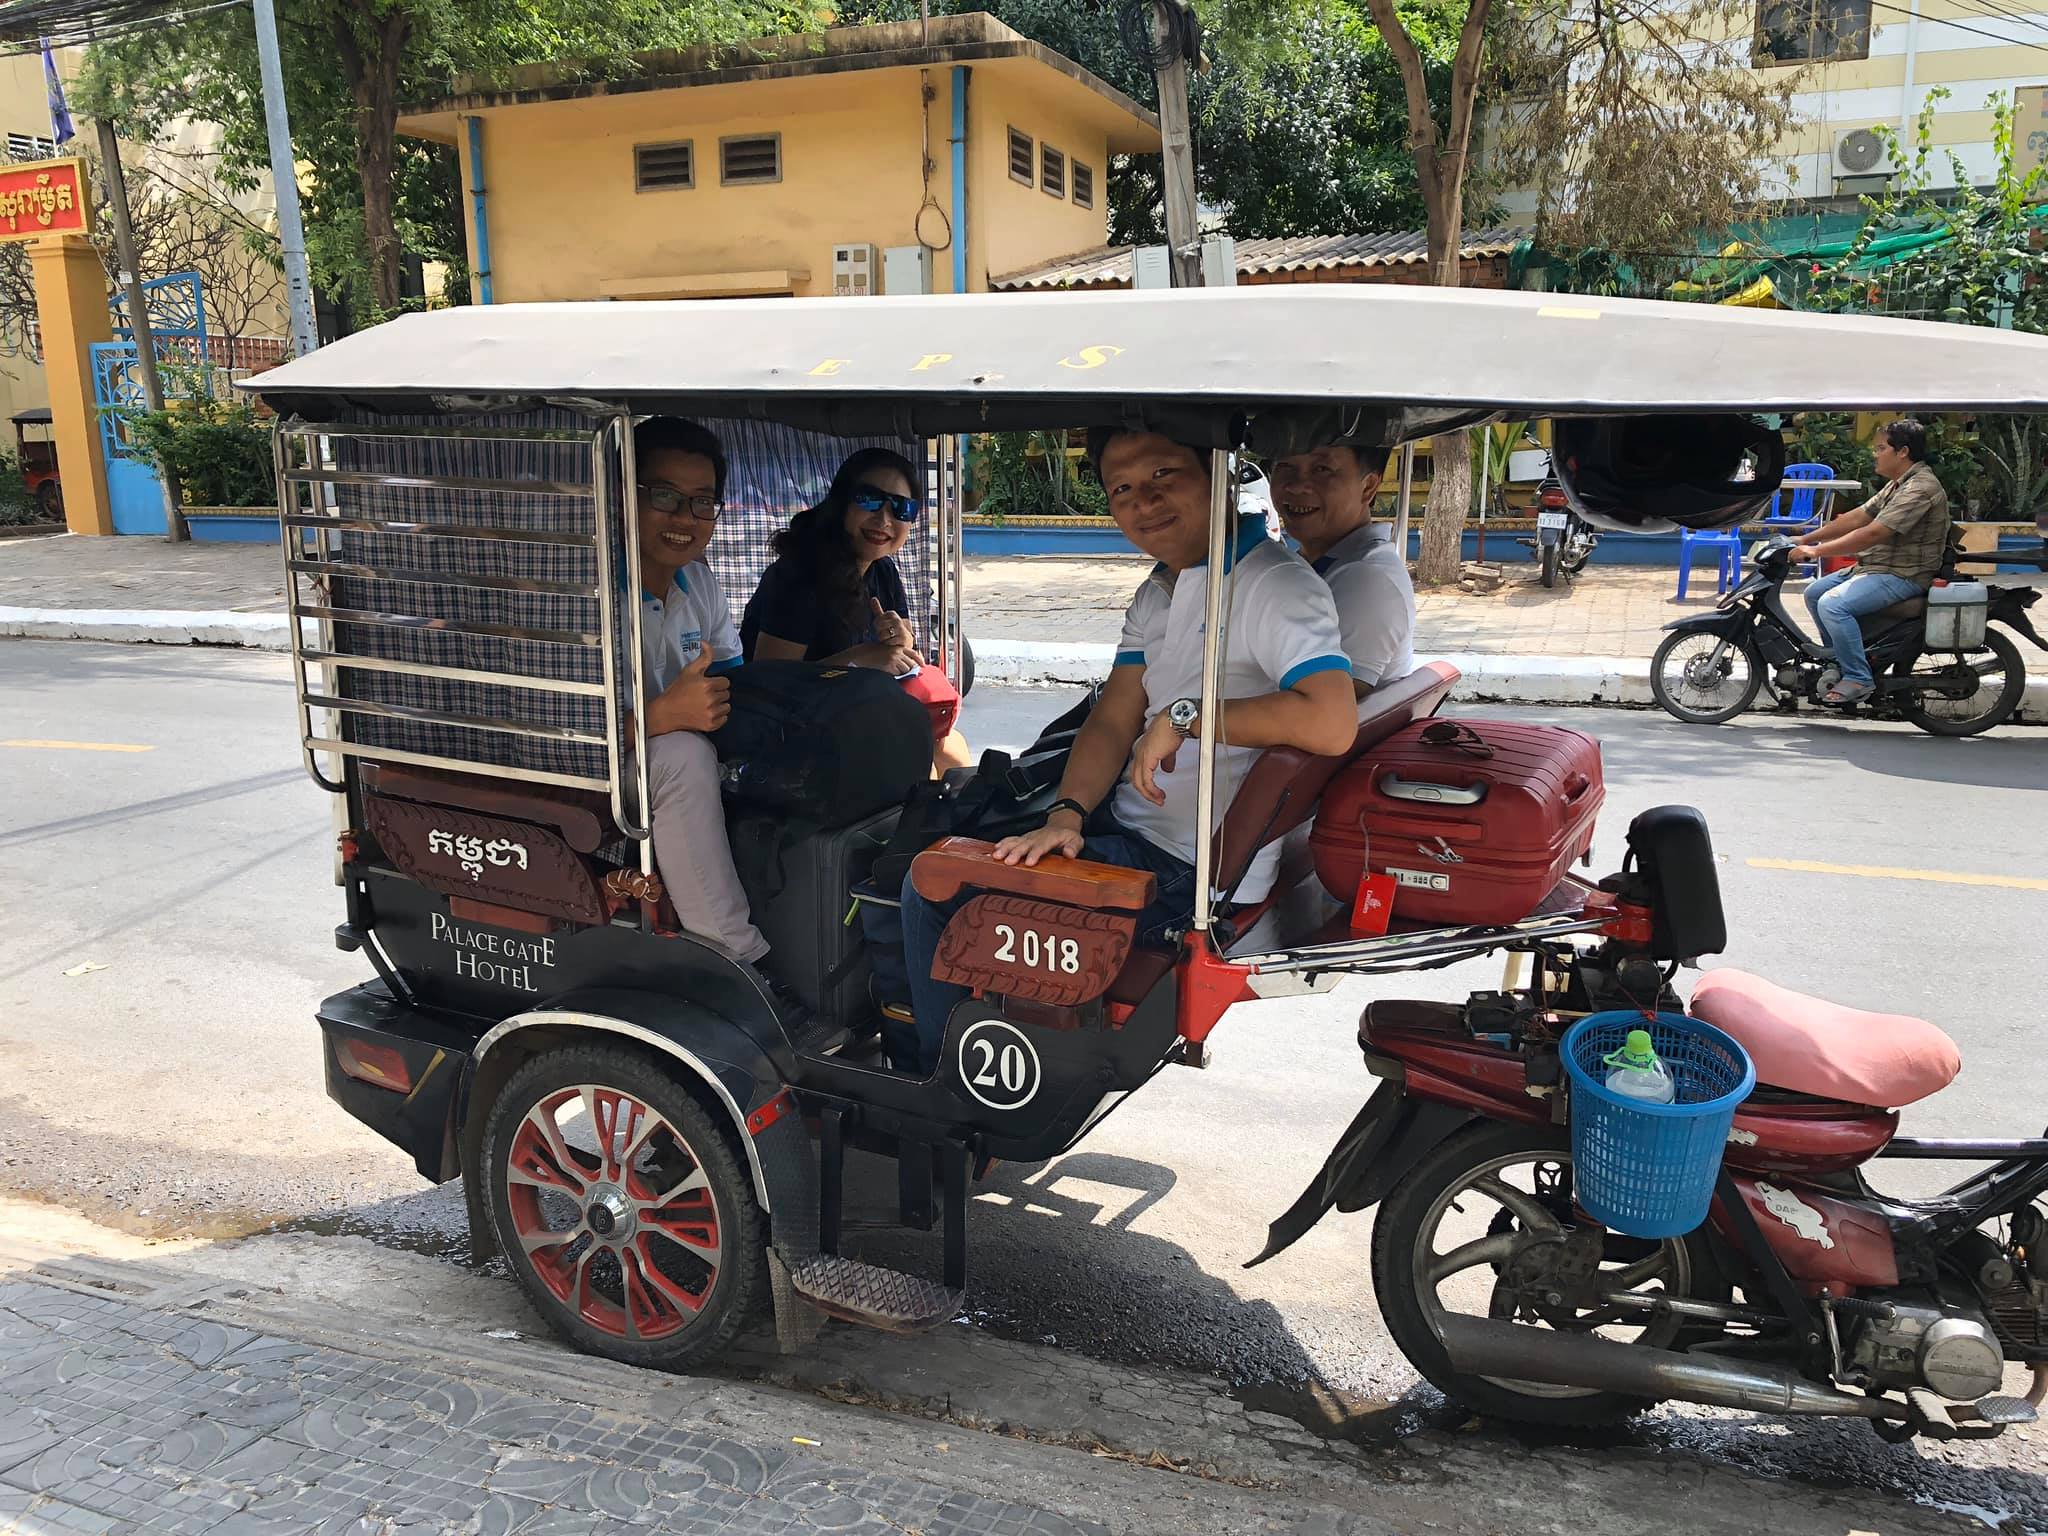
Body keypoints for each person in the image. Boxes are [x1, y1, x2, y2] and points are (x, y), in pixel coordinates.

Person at [893, 430, 1358, 1076]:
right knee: (974, 819)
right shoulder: (1162, 591)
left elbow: (1333, 721)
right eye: (1124, 489)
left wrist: (1190, 716)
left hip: (1178, 878)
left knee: (931, 885)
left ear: (1218, 475)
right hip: (1136, 837)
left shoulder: (1272, 586)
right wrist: (1067, 816)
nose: (1146, 500)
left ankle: (947, 1087)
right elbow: (1113, 722)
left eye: (1166, 474)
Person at [630, 416, 775, 973]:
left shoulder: (699, 581)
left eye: (701, 502)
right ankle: (735, 958)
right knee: (682, 754)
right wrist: (659, 717)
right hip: (602, 767)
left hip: (668, 750)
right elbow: (560, 731)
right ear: (624, 494)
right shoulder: (586, 590)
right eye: (664, 495)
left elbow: (736, 681)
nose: (684, 518)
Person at [743, 447, 971, 772]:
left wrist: (900, 641)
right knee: (918, 757)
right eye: (869, 499)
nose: (883, 519)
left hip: (858, 713)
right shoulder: (798, 576)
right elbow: (770, 680)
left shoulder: (883, 571)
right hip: (793, 730)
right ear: (841, 503)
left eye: (901, 509)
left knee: (949, 747)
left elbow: (904, 652)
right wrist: (861, 658)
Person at [1793, 417, 1952, 704]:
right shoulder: (1898, 484)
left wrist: (1817, 552)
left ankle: (1858, 676)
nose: (1875, 454)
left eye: (1880, 448)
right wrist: (1805, 538)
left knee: (1834, 605)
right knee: (1815, 592)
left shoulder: (1920, 488)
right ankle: (1842, 661)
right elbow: (1859, 516)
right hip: (1876, 567)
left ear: (1902, 452)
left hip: (1904, 574)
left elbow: (1873, 533)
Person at [1268, 440, 1417, 695]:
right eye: (1284, 466)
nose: (1296, 485)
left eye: (1322, 469)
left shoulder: (1366, 581)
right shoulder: (1315, 563)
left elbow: (1324, 709)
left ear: (1368, 486)